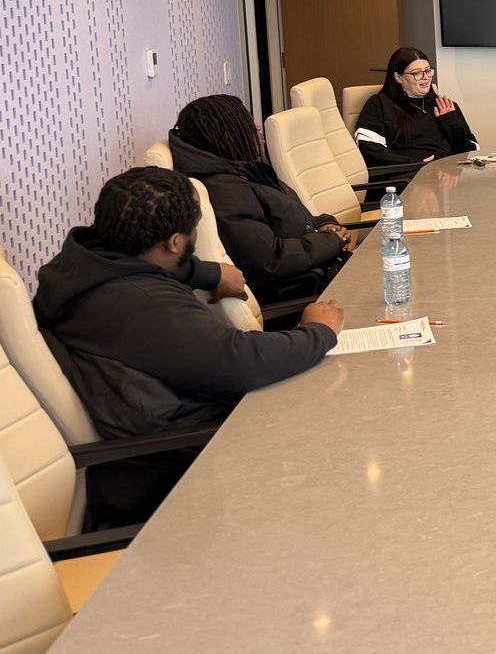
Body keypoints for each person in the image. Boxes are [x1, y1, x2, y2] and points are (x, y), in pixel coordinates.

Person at [34, 168, 344, 525]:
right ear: (175, 243)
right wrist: (318, 331)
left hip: (168, 435)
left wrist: (205, 274)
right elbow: (239, 363)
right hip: (180, 467)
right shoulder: (144, 305)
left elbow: (140, 268)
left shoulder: (79, 267)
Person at [169, 94, 357, 297]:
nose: (257, 127)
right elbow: (269, 260)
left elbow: (290, 221)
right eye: (247, 122)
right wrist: (331, 242)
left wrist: (324, 224)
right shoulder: (224, 189)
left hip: (319, 270)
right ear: (226, 135)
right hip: (305, 291)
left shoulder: (244, 173)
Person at [355, 47, 479, 167]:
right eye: (417, 73)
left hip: (449, 175)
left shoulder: (444, 106)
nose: (426, 77)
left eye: (428, 70)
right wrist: (416, 163)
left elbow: (473, 150)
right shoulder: (379, 104)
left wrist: (452, 125)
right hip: (407, 175)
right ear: (398, 77)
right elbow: (369, 150)